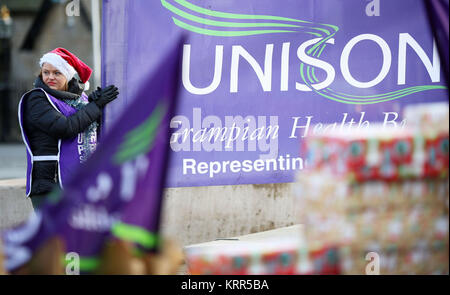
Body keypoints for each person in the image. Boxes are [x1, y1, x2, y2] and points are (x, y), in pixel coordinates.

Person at [18, 47, 119, 208]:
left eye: (57, 73)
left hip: (77, 183)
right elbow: (66, 128)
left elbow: (96, 135)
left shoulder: (81, 100)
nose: (50, 77)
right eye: (46, 72)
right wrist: (95, 106)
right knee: (55, 234)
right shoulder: (37, 99)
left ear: (68, 75)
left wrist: (94, 106)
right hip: (49, 186)